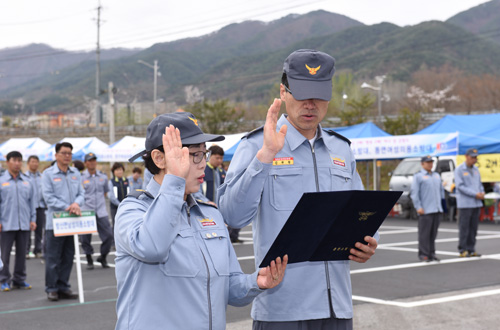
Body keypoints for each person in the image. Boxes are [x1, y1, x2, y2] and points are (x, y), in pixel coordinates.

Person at [219, 49, 377, 329]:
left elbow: (360, 214)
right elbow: (232, 215)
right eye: (302, 94)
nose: (311, 104)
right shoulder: (256, 145)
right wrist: (266, 155)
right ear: (283, 91)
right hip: (282, 311)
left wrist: (365, 243)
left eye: (319, 95)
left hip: (336, 308)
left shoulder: (341, 149)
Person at [115, 112, 288, 329]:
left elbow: (230, 288)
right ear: (160, 159)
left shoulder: (210, 215)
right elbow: (153, 247)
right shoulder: (133, 210)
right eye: (193, 155)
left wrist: (257, 282)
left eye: (203, 154)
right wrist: (175, 180)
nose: (202, 164)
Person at [42, 142, 84, 301]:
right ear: (56, 155)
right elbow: (49, 198)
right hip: (55, 223)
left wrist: (76, 204)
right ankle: (51, 288)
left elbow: (82, 193)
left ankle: (63, 286)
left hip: (72, 222)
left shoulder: (76, 173)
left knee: (68, 256)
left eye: (69, 153)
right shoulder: (48, 174)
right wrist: (68, 206)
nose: (67, 156)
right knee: (53, 257)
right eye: (64, 153)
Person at [0, 151, 36, 291]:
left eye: (19, 160)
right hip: (6, 224)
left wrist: (33, 219)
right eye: (14, 160)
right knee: (5, 254)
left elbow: (32, 202)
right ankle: (4, 279)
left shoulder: (27, 181)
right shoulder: (2, 180)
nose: (17, 163)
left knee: (22, 254)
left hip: (24, 223)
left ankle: (19, 279)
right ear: (8, 162)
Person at [80, 152, 113, 269]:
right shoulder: (81, 177)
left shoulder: (103, 177)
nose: (92, 162)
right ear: (86, 163)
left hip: (101, 210)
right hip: (86, 211)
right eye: (90, 160)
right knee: (85, 237)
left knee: (109, 235)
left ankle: (103, 257)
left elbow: (105, 192)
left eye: (94, 160)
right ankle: (89, 258)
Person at [410, 156, 445, 262]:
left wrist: (443, 207)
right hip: (425, 210)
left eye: (431, 162)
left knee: (433, 234)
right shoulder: (418, 176)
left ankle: (431, 253)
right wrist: (418, 207)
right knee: (424, 234)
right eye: (428, 162)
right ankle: (424, 254)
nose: (430, 164)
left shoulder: (436, 175)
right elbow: (414, 193)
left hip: (436, 209)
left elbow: (441, 192)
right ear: (422, 164)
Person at [455, 148, 484, 257]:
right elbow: (460, 186)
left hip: (476, 203)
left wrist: (482, 192)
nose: (474, 159)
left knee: (473, 228)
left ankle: (471, 249)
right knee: (464, 227)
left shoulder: (476, 169)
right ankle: (462, 249)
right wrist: (474, 194)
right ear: (466, 157)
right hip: (465, 203)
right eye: (472, 157)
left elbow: (479, 184)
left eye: (476, 157)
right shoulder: (459, 169)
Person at [25, 155, 47, 259]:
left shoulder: (42, 177)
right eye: (32, 162)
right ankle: (26, 250)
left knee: (39, 230)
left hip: (40, 206)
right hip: (27, 207)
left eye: (36, 162)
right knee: (27, 230)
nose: (34, 164)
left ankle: (37, 250)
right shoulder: (24, 177)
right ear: (28, 163)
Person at [108, 162, 130, 229]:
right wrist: (120, 204)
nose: (119, 171)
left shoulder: (126, 180)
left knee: (126, 224)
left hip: (126, 207)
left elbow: (130, 193)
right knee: (116, 225)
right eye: (117, 170)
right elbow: (111, 196)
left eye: (120, 169)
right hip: (115, 207)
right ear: (113, 172)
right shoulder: (111, 182)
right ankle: (114, 239)